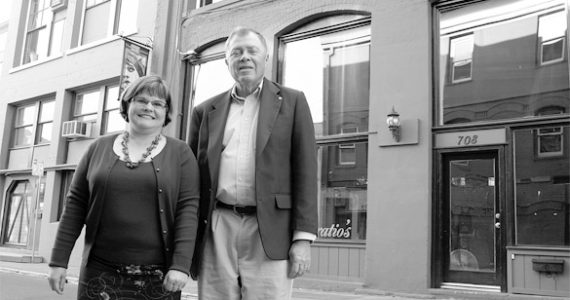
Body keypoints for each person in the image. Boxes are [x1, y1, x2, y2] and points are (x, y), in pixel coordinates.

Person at [188, 27, 318, 300]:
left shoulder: (293, 102)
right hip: (217, 226)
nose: (244, 57)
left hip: (271, 228)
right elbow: (192, 181)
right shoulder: (204, 111)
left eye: (251, 51)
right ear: (227, 62)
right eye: (236, 52)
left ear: (266, 57)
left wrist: (303, 238)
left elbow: (306, 173)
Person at [48, 75, 200, 300]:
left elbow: (188, 210)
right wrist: (58, 261)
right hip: (100, 273)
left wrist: (181, 265)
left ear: (166, 112)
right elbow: (75, 206)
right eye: (142, 100)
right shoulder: (97, 148)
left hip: (159, 277)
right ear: (127, 103)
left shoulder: (181, 153)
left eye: (158, 104)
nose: (149, 107)